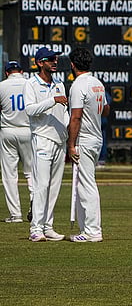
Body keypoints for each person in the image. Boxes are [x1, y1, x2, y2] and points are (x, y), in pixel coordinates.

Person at [24, 47, 69, 242]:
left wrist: (68, 129)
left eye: (56, 58)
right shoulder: (31, 84)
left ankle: (48, 226)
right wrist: (52, 100)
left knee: (54, 186)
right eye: (50, 59)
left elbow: (65, 111)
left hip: (60, 140)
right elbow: (30, 110)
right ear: (40, 62)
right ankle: (36, 228)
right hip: (42, 138)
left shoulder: (60, 83)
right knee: (41, 185)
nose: (55, 62)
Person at [67, 47, 110, 242]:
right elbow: (106, 110)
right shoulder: (97, 83)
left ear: (73, 65)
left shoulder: (78, 85)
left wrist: (71, 144)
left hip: (84, 140)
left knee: (87, 185)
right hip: (96, 137)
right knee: (83, 184)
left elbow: (75, 117)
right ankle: (86, 229)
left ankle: (93, 231)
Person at [0, 61, 33, 223]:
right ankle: (35, 203)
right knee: (31, 172)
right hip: (28, 130)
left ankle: (15, 214)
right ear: (21, 71)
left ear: (7, 73)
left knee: (9, 175)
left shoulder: (2, 86)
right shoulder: (29, 84)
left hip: (8, 131)